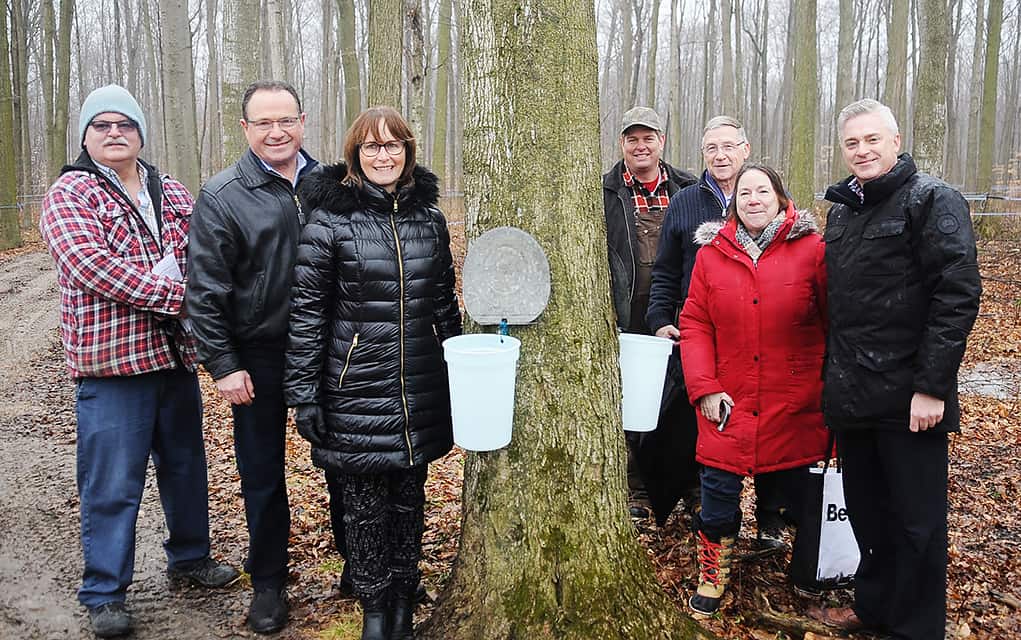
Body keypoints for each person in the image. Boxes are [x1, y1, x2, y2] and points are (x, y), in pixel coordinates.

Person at [39, 84, 238, 638]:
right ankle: (104, 591)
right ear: (86, 135)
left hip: (174, 358)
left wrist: (178, 277)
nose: (113, 133)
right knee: (112, 483)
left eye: (124, 124)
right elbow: (92, 266)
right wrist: (178, 294)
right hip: (112, 367)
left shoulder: (168, 187)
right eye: (101, 125)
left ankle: (191, 558)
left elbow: (200, 251)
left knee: (184, 466)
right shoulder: (70, 193)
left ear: (139, 132)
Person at [284, 106, 461, 640]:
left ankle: (405, 596)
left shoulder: (429, 219)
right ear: (354, 156)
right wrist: (304, 394)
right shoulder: (329, 221)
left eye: (393, 146)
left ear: (407, 153)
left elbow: (442, 302)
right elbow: (308, 311)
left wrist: (460, 368)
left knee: (410, 497)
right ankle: (375, 606)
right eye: (371, 147)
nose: (383, 156)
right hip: (353, 386)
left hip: (419, 385)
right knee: (363, 506)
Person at [808, 99, 981, 640]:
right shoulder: (842, 211)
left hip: (911, 399)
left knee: (917, 522)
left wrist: (932, 386)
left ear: (896, 140)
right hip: (855, 396)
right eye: (852, 143)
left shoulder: (932, 200)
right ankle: (874, 607)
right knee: (868, 513)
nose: (862, 151)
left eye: (872, 140)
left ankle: (917, 626)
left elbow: (956, 295)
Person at [186, 80, 319, 634]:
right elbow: (204, 290)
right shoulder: (222, 196)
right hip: (257, 356)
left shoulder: (330, 183)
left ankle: (358, 571)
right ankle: (268, 583)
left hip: (325, 347)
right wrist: (223, 363)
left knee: (340, 460)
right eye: (262, 122)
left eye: (285, 120)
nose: (275, 131)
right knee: (262, 473)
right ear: (245, 129)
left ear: (302, 121)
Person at [678, 163, 829, 615]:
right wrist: (704, 387)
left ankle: (809, 570)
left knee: (802, 495)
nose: (754, 199)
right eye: (745, 193)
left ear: (781, 198)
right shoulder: (711, 255)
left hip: (796, 399)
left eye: (763, 191)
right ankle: (713, 570)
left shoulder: (813, 250)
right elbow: (695, 323)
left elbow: (835, 320)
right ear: (734, 203)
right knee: (718, 491)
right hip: (729, 398)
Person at [647, 117, 794, 545]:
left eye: (729, 146)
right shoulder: (686, 202)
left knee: (770, 426)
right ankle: (707, 511)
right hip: (705, 333)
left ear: (746, 149)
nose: (721, 155)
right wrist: (659, 319)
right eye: (712, 148)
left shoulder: (768, 200)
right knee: (709, 423)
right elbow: (666, 270)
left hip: (767, 339)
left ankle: (772, 517)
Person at [602, 106, 696, 520]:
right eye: (632, 139)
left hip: (680, 312)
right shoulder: (605, 191)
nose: (640, 146)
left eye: (648, 138)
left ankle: (693, 486)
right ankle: (635, 487)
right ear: (621, 144)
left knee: (685, 398)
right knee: (632, 399)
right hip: (627, 313)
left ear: (661, 142)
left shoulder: (687, 189)